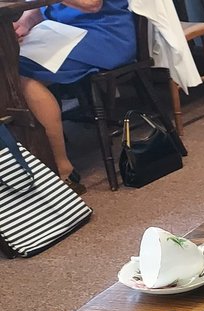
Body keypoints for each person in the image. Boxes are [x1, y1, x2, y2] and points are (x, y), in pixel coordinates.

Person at [13, 0, 136, 191]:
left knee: (15, 72)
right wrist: (25, 23)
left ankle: (61, 168)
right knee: (10, 64)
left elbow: (91, 4)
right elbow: (44, 8)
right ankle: (32, 161)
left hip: (104, 34)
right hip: (62, 32)